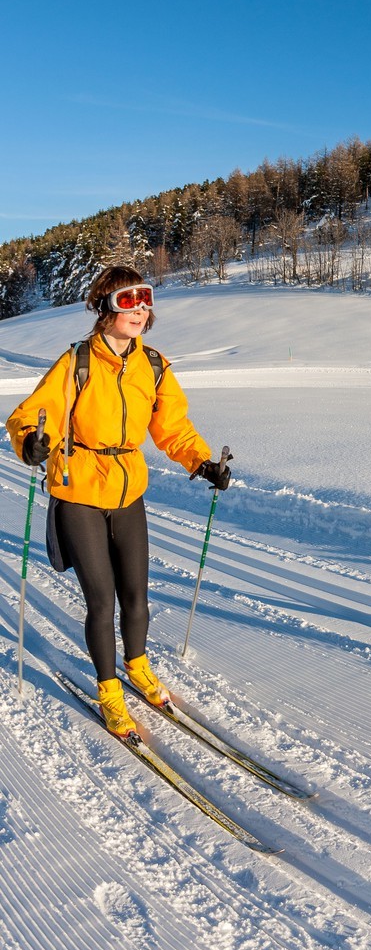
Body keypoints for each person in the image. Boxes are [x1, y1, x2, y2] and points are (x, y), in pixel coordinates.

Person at [6, 266, 232, 740]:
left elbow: (172, 428)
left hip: (129, 490)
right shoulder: (77, 362)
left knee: (137, 596)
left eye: (145, 300)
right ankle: (108, 689)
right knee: (101, 601)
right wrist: (30, 442)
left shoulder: (154, 364)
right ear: (105, 305)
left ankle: (138, 666)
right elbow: (30, 415)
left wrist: (201, 462)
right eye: (129, 301)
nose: (140, 310)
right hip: (79, 493)